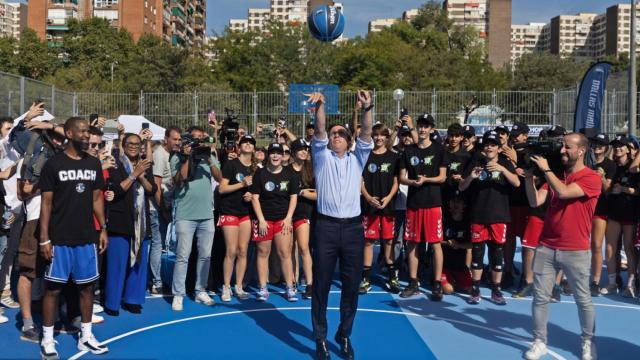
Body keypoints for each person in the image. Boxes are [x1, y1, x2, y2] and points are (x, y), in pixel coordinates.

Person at [523, 132, 600, 360]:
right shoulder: (557, 176)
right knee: (540, 297)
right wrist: (529, 178)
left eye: (567, 147)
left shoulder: (591, 178)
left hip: (576, 249)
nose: (562, 151)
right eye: (562, 147)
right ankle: (539, 341)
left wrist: (546, 170)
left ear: (581, 151)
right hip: (547, 246)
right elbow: (534, 201)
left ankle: (587, 341)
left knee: (583, 299)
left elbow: (565, 193)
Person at [309, 90, 373, 360]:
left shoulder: (358, 159)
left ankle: (344, 335)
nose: (335, 136)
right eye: (333, 134)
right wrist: (321, 105)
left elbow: (367, 133)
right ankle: (321, 338)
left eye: (340, 134)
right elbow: (321, 127)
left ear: (348, 141)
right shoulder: (321, 158)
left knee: (351, 285)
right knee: (321, 284)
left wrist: (368, 107)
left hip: (352, 230)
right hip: (325, 227)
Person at [38, 117, 109, 359]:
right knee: (53, 289)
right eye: (81, 131)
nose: (86, 135)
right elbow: (45, 204)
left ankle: (86, 336)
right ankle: (48, 339)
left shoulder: (93, 163)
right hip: (59, 238)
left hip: (86, 237)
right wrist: (44, 238)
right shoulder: (53, 164)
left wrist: (103, 228)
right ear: (68, 132)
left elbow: (97, 198)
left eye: (87, 131)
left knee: (87, 288)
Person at [459, 131, 520, 305]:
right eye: (487, 145)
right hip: (479, 214)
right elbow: (462, 187)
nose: (489, 147)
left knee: (497, 253)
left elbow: (516, 183)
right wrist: (471, 177)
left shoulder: (505, 163)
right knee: (477, 253)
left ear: (499, 148)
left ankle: (496, 289)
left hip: (499, 215)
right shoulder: (476, 162)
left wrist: (502, 169)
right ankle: (475, 289)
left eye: (493, 145)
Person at [104, 133, 157, 315]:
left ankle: (133, 299)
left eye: (137, 144)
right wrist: (134, 174)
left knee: (139, 263)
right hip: (120, 221)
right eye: (130, 143)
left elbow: (152, 190)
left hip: (141, 223)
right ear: (123, 145)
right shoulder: (116, 163)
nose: (134, 147)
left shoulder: (145, 164)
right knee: (117, 264)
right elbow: (117, 190)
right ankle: (112, 302)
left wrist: (141, 175)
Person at [170, 126, 222, 311]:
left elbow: (219, 177)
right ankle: (178, 294)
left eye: (202, 137)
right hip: (185, 214)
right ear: (188, 140)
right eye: (196, 138)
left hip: (206, 214)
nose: (200, 141)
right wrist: (186, 157)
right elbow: (180, 179)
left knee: (205, 255)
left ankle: (200, 290)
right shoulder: (177, 157)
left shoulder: (209, 156)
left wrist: (209, 158)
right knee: (183, 256)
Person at [398, 114, 448, 301]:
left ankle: (436, 283)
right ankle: (413, 281)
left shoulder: (438, 149)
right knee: (412, 243)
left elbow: (443, 177)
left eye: (426, 126)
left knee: (435, 244)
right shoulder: (408, 150)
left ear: (432, 129)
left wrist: (426, 179)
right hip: (414, 203)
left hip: (433, 203)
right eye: (420, 126)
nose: (423, 129)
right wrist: (412, 181)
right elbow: (402, 177)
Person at [250, 143, 299, 302]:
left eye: (280, 153)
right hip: (264, 220)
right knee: (263, 253)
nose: (276, 156)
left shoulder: (290, 174)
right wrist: (261, 220)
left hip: (282, 220)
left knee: (284, 253)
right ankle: (263, 288)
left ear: (284, 155)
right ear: (268, 155)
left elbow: (293, 197)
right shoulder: (260, 173)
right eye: (273, 153)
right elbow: (255, 198)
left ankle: (290, 287)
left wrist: (288, 218)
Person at [359, 124, 400, 295]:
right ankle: (366, 278)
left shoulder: (394, 157)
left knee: (389, 241)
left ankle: (392, 277)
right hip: (369, 206)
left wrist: (388, 198)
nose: (378, 138)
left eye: (382, 135)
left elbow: (396, 182)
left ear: (387, 137)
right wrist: (368, 197)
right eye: (375, 135)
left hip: (388, 206)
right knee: (368, 241)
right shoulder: (365, 156)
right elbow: (359, 180)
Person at [218, 135, 257, 301]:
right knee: (231, 251)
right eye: (245, 142)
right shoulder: (231, 164)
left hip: (245, 213)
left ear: (254, 148)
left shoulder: (256, 168)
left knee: (243, 251)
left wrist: (250, 194)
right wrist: (241, 185)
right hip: (229, 211)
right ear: (239, 147)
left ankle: (238, 286)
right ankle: (226, 286)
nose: (248, 145)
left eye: (251, 143)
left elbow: (257, 191)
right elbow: (221, 189)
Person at [602, 135, 638, 297]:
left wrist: (624, 190)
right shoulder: (613, 167)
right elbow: (607, 190)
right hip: (614, 212)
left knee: (629, 248)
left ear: (628, 149)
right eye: (615, 146)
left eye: (621, 146)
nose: (617, 148)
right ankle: (612, 282)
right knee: (610, 247)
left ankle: (631, 283)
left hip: (630, 212)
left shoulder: (635, 167)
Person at [149, 125, 182, 295]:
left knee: (166, 244)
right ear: (166, 139)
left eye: (179, 139)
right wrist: (163, 210)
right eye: (174, 139)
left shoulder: (175, 155)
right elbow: (156, 185)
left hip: (170, 206)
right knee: (158, 244)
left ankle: (161, 278)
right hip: (157, 208)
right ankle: (156, 282)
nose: (177, 142)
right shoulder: (160, 155)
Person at [588, 133, 615, 296]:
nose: (597, 146)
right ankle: (571, 279)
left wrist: (602, 177)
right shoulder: (585, 162)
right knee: (578, 245)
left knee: (596, 245)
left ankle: (595, 281)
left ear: (605, 147)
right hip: (583, 208)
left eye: (600, 144)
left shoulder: (610, 165)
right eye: (595, 143)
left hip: (600, 209)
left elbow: (608, 191)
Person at [290, 139, 316, 299]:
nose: (304, 151)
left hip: (304, 214)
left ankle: (310, 283)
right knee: (287, 250)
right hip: (286, 215)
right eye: (300, 148)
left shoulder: (311, 170)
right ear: (293, 152)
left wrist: (302, 193)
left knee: (304, 248)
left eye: (305, 148)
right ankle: (291, 281)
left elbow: (320, 194)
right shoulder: (285, 170)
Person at [441, 195, 473, 294]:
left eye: (458, 202)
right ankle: (440, 279)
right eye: (453, 201)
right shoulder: (443, 219)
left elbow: (472, 245)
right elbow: (433, 241)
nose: (455, 204)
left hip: (460, 265)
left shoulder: (467, 223)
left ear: (463, 205)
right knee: (448, 290)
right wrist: (447, 243)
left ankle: (459, 279)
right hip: (444, 265)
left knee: (470, 289)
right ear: (449, 204)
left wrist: (459, 245)